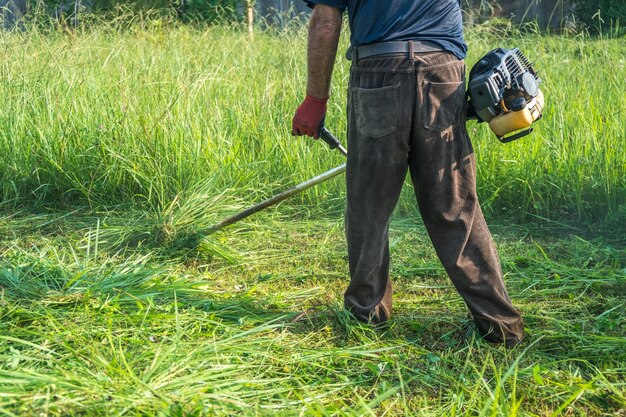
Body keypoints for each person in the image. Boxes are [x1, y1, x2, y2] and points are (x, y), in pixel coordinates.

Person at [291, 0, 525, 347]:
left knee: (368, 205)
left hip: (378, 70)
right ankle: (501, 327)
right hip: (442, 71)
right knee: (455, 205)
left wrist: (315, 100)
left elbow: (326, 23)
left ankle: (365, 316)